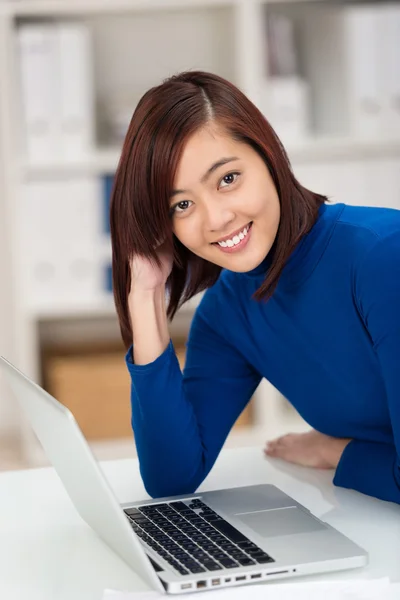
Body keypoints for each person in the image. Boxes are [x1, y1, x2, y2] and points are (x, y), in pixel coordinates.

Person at [110, 71, 400, 505]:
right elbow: (171, 477)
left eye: (227, 179)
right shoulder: (229, 311)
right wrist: (147, 296)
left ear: (268, 157)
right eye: (182, 205)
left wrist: (336, 453)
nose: (216, 219)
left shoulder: (382, 257)